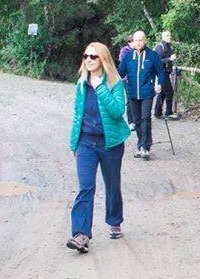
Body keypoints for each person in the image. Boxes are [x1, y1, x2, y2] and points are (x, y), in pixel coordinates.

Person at [67, 42, 132, 252]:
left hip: (110, 143)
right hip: (86, 141)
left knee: (112, 184)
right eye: (86, 55)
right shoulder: (81, 83)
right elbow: (78, 115)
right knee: (86, 187)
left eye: (93, 57)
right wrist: (73, 142)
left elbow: (117, 111)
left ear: (102, 59)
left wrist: (100, 87)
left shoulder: (114, 83)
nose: (88, 59)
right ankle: (81, 234)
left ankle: (114, 219)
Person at [118, 30, 167, 160]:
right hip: (132, 93)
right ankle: (141, 144)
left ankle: (145, 147)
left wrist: (159, 84)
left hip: (147, 93)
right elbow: (120, 73)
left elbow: (161, 72)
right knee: (137, 121)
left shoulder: (153, 55)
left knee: (146, 118)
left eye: (141, 40)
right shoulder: (128, 57)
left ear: (145, 41)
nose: (138, 42)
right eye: (136, 40)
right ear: (132, 42)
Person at [154, 30, 180, 121]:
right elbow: (157, 61)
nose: (169, 37)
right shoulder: (160, 47)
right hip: (161, 73)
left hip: (166, 72)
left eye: (170, 35)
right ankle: (168, 113)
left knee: (162, 93)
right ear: (163, 37)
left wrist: (173, 67)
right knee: (169, 92)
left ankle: (157, 112)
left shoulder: (169, 46)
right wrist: (169, 58)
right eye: (167, 36)